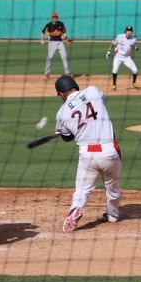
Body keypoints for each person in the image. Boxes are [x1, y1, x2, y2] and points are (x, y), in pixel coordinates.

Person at [53, 75, 123, 233]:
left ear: (62, 93)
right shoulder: (92, 91)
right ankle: (113, 215)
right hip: (109, 150)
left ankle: (76, 209)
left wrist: (61, 132)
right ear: (75, 85)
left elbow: (67, 137)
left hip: (87, 155)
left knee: (82, 190)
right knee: (112, 187)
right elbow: (100, 103)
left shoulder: (61, 113)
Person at [106, 25, 139, 90]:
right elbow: (113, 43)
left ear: (132, 32)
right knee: (115, 70)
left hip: (127, 58)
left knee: (135, 70)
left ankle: (134, 82)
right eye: (128, 31)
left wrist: (136, 48)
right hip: (118, 57)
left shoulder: (134, 39)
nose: (129, 32)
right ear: (125, 31)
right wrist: (109, 50)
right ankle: (114, 85)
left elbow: (134, 46)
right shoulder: (120, 37)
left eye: (130, 31)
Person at [40, 12, 71, 79]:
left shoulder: (61, 24)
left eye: (56, 17)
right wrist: (42, 39)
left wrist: (65, 37)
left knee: (64, 56)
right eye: (54, 17)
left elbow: (65, 33)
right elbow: (42, 32)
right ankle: (47, 73)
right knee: (49, 57)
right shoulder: (49, 25)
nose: (55, 18)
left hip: (60, 43)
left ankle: (67, 72)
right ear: (52, 18)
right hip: (52, 43)